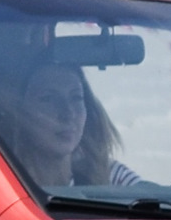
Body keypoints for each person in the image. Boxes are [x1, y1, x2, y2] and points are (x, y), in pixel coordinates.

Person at [8, 64, 141, 187]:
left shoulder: (112, 177)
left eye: (76, 98)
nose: (68, 113)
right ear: (20, 111)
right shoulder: (3, 182)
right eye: (49, 99)